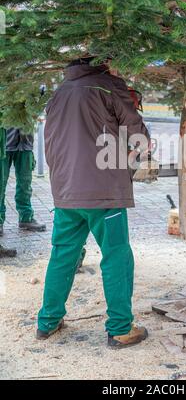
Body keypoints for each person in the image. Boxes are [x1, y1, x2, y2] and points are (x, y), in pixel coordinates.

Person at [37, 57, 151, 349]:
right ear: (105, 63)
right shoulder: (110, 86)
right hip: (103, 192)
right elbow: (139, 138)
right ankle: (120, 329)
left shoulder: (59, 92)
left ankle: (47, 322)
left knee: (62, 255)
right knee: (116, 256)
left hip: (65, 192)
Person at [0, 128, 46, 258]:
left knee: (25, 183)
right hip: (5, 143)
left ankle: (26, 217)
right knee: (1, 184)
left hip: (25, 143)